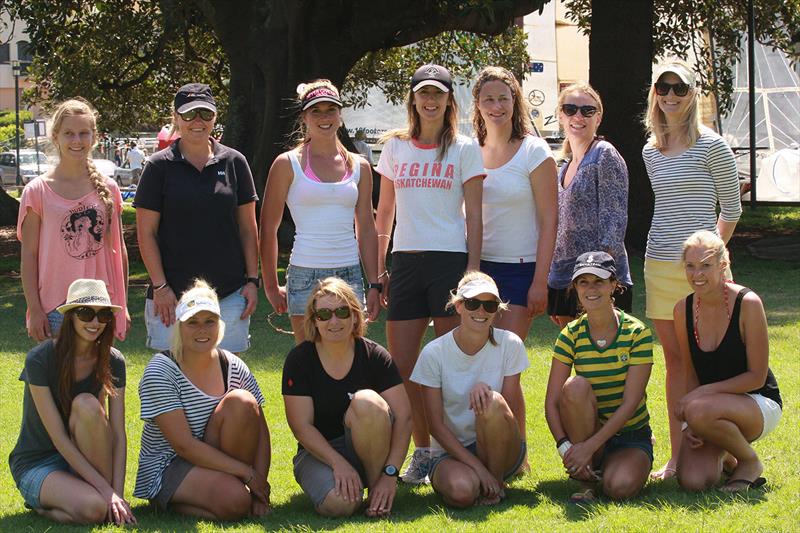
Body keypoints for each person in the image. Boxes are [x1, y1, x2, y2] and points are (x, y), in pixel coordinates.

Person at [375, 64, 485, 483]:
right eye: (423, 93)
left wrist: (472, 271)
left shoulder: (464, 148)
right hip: (404, 263)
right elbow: (384, 213)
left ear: (448, 101)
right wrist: (380, 267)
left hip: (449, 263)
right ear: (414, 100)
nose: (430, 100)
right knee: (404, 367)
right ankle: (423, 451)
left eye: (438, 93)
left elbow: (474, 214)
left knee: (448, 365)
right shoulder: (395, 148)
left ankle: (455, 449)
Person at [642, 59, 742, 480]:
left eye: (678, 89)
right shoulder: (650, 149)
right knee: (675, 364)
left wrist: (710, 260)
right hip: (658, 264)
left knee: (706, 364)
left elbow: (732, 209)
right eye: (663, 88)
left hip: (700, 272)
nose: (670, 96)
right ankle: (676, 454)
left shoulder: (713, 145)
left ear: (692, 94)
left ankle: (720, 448)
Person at [135, 83, 259, 353]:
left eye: (205, 113)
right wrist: (161, 286)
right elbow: (146, 234)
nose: (198, 121)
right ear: (176, 118)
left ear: (215, 117)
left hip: (228, 294)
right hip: (171, 295)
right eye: (189, 114)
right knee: (170, 380)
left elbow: (248, 229)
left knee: (228, 382)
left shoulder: (235, 162)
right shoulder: (158, 166)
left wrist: (252, 281)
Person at [134, 279, 271, 519]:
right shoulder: (161, 370)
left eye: (209, 322)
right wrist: (247, 474)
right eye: (192, 322)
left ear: (220, 324)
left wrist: (261, 489)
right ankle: (166, 501)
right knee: (236, 501)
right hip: (170, 465)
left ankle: (228, 492)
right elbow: (183, 445)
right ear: (178, 326)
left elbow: (261, 430)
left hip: (214, 462)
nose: (202, 330)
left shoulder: (233, 365)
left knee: (243, 402)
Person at [260, 80, 379, 344]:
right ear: (304, 116)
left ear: (340, 115)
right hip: (305, 274)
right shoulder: (286, 164)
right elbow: (268, 228)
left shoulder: (360, 166)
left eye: (331, 110)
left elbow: (366, 228)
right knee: (308, 362)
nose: (324, 118)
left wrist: (374, 283)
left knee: (350, 358)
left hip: (349, 274)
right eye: (316, 111)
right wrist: (270, 285)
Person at [9, 279, 135, 525]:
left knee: (87, 404)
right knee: (95, 510)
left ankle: (90, 496)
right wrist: (105, 492)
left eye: (103, 315)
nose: (95, 322)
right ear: (70, 317)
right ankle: (43, 507)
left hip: (83, 457)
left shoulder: (113, 361)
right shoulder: (40, 359)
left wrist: (117, 493)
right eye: (85, 313)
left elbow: (118, 435)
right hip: (38, 462)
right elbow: (58, 437)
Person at [282, 277, 412, 517]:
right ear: (314, 321)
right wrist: (337, 462)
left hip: (372, 449)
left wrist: (389, 474)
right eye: (324, 314)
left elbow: (404, 417)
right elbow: (301, 427)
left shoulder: (375, 356)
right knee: (339, 506)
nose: (334, 321)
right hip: (319, 453)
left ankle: (376, 491)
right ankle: (348, 489)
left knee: (367, 402)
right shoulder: (300, 360)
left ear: (354, 316)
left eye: (342, 311)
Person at [674, 231, 782, 492]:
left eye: (705, 266)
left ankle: (750, 462)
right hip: (707, 408)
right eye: (690, 266)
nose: (697, 274)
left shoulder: (748, 303)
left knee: (699, 409)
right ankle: (730, 459)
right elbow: (690, 373)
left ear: (723, 265)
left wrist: (697, 400)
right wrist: (690, 424)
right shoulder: (682, 309)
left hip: (757, 402)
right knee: (693, 481)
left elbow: (756, 376)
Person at [410, 272, 527, 507]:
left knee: (491, 400)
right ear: (459, 305)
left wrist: (522, 452)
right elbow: (435, 425)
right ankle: (482, 479)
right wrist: (477, 469)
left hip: (500, 445)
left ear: (497, 309)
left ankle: (496, 481)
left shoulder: (511, 343)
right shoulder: (434, 353)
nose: (481, 312)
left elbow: (513, 405)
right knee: (462, 492)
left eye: (490, 305)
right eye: (473, 303)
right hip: (451, 451)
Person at [544, 252, 654, 502]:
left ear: (614, 285)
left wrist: (589, 447)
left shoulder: (637, 333)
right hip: (588, 431)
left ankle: (609, 468)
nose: (591, 288)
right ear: (575, 287)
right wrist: (566, 447)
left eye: (599, 281)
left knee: (619, 488)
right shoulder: (570, 334)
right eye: (584, 282)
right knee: (574, 387)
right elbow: (551, 403)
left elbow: (630, 403)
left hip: (630, 435)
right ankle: (586, 481)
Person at [18, 98, 129, 342]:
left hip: (100, 310)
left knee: (98, 380)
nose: (77, 140)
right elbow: (29, 255)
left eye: (83, 133)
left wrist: (123, 304)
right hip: (54, 309)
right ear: (55, 136)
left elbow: (119, 251)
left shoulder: (109, 188)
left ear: (94, 137)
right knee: (53, 379)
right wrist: (35, 310)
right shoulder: (37, 191)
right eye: (69, 133)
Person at [472, 66, 557, 341]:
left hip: (521, 270)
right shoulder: (468, 150)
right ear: (477, 104)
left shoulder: (534, 151)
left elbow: (549, 220)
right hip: (477, 267)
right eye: (489, 99)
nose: (497, 106)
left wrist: (539, 282)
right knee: (478, 360)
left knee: (506, 362)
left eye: (503, 98)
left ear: (514, 101)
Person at [548, 83, 633, 326]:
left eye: (587, 110)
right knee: (577, 357)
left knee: (602, 360)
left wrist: (594, 280)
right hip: (564, 278)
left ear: (598, 117)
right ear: (560, 115)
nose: (578, 116)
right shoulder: (563, 167)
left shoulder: (604, 154)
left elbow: (614, 223)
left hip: (597, 280)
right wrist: (555, 283)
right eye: (570, 109)